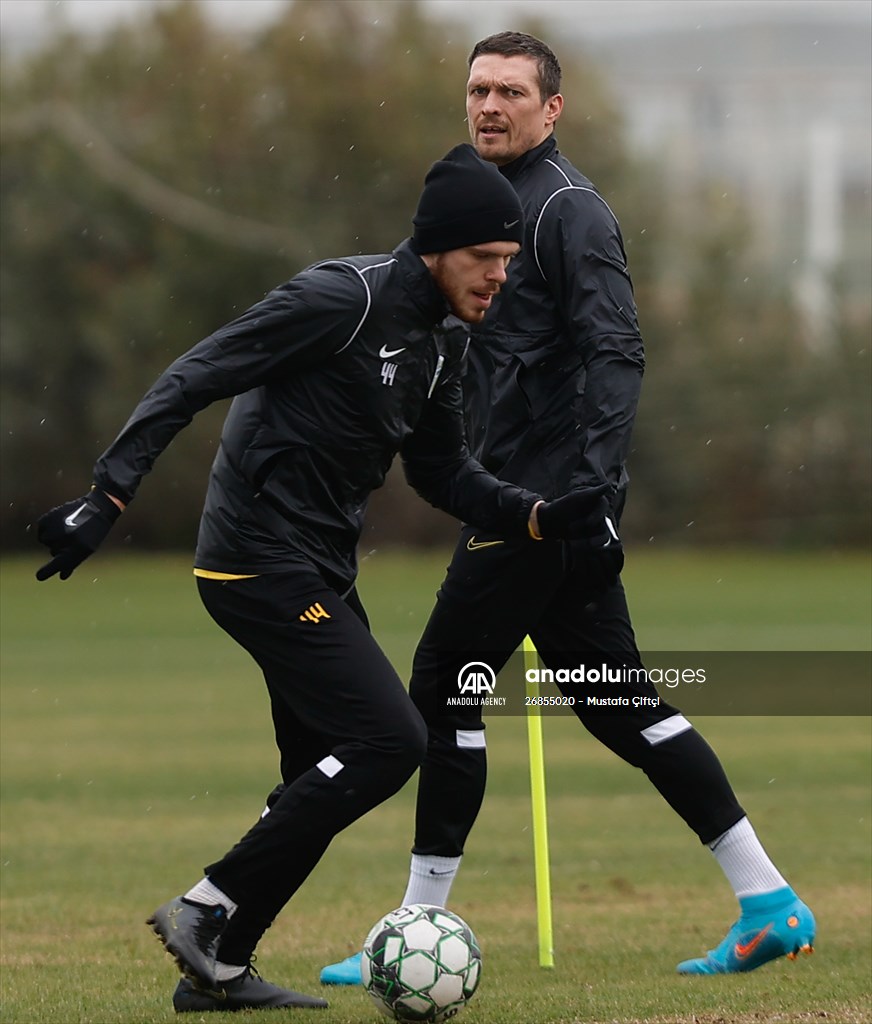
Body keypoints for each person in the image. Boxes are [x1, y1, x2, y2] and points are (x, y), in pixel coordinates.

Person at [33, 143, 618, 1014]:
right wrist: (109, 492)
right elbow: (197, 373)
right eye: (486, 259)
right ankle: (205, 908)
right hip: (252, 559)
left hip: (319, 568)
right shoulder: (341, 300)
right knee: (392, 739)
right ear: (437, 247)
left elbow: (443, 473)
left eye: (508, 261)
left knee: (316, 771)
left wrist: (537, 515)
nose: (500, 277)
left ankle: (218, 968)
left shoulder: (443, 346)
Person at [320, 31, 815, 986]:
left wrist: (587, 490)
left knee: (445, 683)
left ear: (554, 110)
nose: (489, 105)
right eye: (477, 90)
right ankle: (768, 902)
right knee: (620, 706)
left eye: (510, 91)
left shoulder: (570, 211)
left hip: (543, 507)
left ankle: (415, 927)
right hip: (522, 499)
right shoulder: (472, 203)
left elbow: (616, 352)